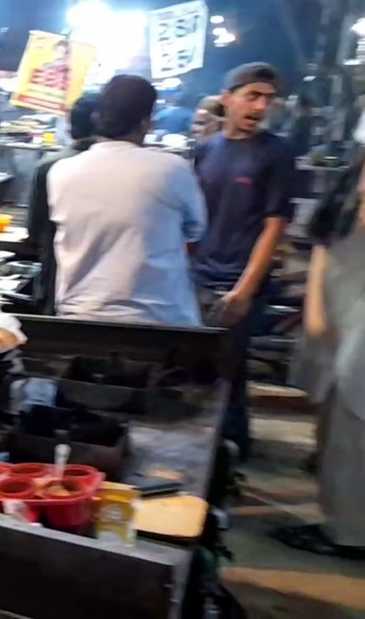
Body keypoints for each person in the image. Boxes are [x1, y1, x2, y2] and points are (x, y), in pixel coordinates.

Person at [193, 63, 295, 460]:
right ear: (227, 98)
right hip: (200, 276)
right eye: (252, 95)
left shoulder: (276, 154)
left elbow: (275, 227)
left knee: (228, 371)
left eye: (268, 99)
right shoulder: (205, 150)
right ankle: (220, 451)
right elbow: (195, 218)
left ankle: (230, 453)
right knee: (204, 370)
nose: (261, 105)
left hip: (240, 281)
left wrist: (245, 291)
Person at [47, 75, 207, 326]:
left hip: (80, 318)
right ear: (146, 122)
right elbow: (195, 231)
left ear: (98, 118)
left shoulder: (60, 171)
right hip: (162, 322)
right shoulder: (172, 169)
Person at [274, 163, 365, 560]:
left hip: (358, 341)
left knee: (351, 438)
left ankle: (348, 534)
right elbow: (324, 256)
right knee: (334, 433)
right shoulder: (346, 204)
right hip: (338, 329)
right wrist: (312, 314)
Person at [27, 92, 99, 314]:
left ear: (70, 128)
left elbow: (35, 231)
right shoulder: (128, 169)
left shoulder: (49, 166)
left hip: (58, 275)